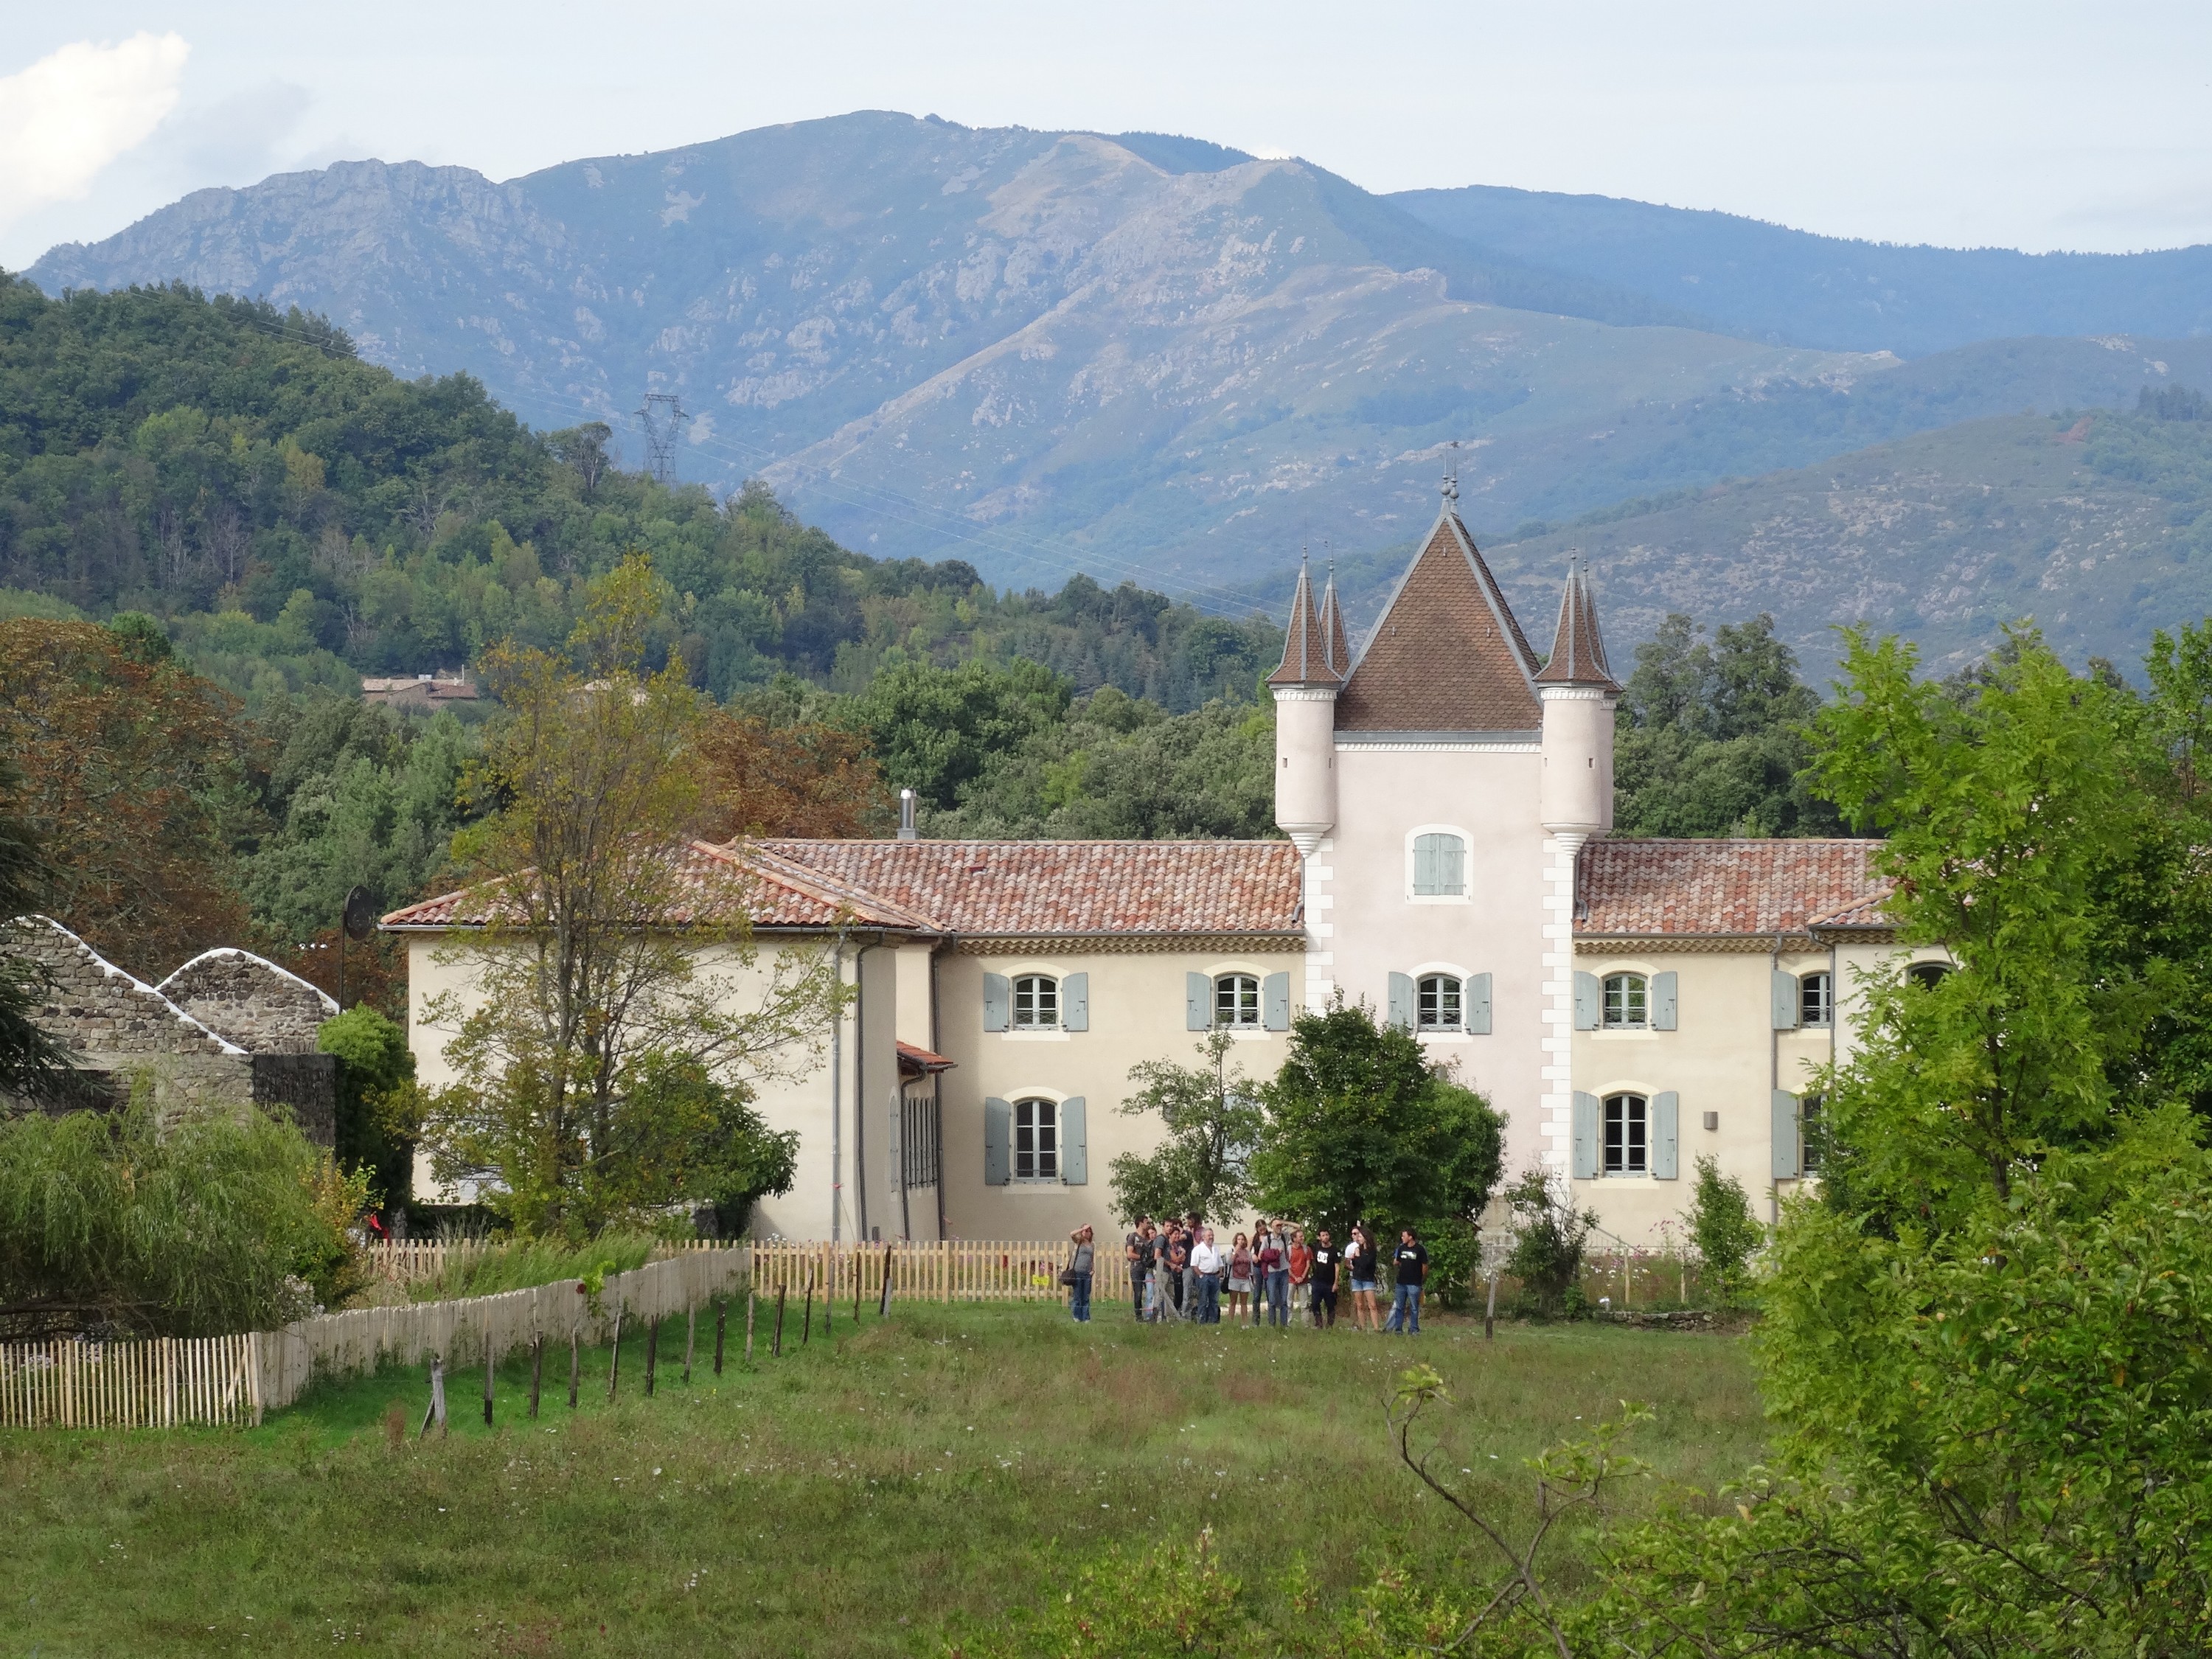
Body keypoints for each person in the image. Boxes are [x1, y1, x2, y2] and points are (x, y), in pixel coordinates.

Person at [1387, 1227, 1429, 1335]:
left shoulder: (1420, 1249)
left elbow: (1424, 1265)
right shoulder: (1401, 1248)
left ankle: (1414, 1329)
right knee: (1399, 1307)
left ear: (1410, 1237)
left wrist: (1421, 1278)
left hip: (1414, 1283)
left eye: (1404, 1236)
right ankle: (1398, 1329)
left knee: (1414, 1307)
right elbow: (1397, 1262)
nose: (1402, 1238)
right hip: (1401, 1282)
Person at [1347, 1225, 1381, 1332]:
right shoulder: (1358, 1249)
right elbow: (1355, 1264)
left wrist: (1357, 1256)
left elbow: (1365, 1264)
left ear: (1366, 1238)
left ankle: (1376, 1328)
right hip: (1357, 1278)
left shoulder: (1372, 1251)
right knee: (1360, 1305)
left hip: (1368, 1279)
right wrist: (1355, 1258)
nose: (1358, 1239)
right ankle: (1363, 1326)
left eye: (1360, 1237)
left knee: (1372, 1305)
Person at [1191, 1227, 1225, 1324]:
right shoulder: (1198, 1249)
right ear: (1203, 1237)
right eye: (1209, 1235)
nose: (1211, 1237)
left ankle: (1213, 1320)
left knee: (1214, 1300)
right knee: (1203, 1299)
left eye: (1212, 1235)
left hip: (1214, 1276)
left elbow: (1220, 1263)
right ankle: (1202, 1320)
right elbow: (1194, 1265)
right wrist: (1201, 1275)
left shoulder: (1215, 1249)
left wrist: (1220, 1273)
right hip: (1204, 1277)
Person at [1257, 1225, 1288, 1329]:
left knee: (1284, 1301)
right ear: (1272, 1227)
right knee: (1272, 1300)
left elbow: (1298, 1227)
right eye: (1277, 1225)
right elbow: (1260, 1255)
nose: (1279, 1227)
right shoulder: (1267, 1239)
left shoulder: (1285, 1237)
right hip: (1272, 1272)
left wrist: (1284, 1222)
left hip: (1284, 1271)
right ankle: (1272, 1325)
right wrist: (1275, 1253)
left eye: (1280, 1225)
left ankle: (1284, 1325)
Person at [1309, 1228, 1339, 1328]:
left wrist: (1336, 1283)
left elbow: (1337, 1267)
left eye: (1327, 1235)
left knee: (1330, 1304)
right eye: (1323, 1235)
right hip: (1317, 1281)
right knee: (1315, 1303)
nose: (1325, 1237)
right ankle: (1319, 1323)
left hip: (1329, 1282)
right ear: (1319, 1237)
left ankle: (1330, 1325)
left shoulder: (1334, 1250)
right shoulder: (1316, 1248)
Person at [1125, 1217, 1152, 1320]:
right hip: (1136, 1268)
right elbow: (1129, 1254)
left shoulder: (1148, 1238)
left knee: (1151, 1292)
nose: (1148, 1224)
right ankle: (1139, 1316)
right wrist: (1142, 1257)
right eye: (1146, 1222)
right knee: (1138, 1292)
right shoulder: (1133, 1237)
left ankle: (1150, 1314)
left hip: (1147, 1269)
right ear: (1140, 1223)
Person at [1067, 1225, 1095, 1323]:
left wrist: (1093, 1269)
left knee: (1086, 1296)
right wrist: (1082, 1229)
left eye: (1088, 1231)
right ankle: (1077, 1316)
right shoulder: (1078, 1242)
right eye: (1085, 1231)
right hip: (1078, 1272)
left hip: (1087, 1273)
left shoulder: (1092, 1245)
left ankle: (1086, 1317)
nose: (1087, 1233)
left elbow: (1091, 1258)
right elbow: (1072, 1234)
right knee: (1077, 1295)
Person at [1163, 1226, 1191, 1321]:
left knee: (1178, 1294)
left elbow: (1182, 1260)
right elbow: (1175, 1259)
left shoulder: (1177, 1246)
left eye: (1179, 1234)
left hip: (1178, 1270)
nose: (1177, 1236)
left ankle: (1174, 1314)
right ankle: (1167, 1315)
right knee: (1171, 1294)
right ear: (1170, 1235)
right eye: (1175, 1234)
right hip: (1171, 1271)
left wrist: (1181, 1256)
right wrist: (1182, 1253)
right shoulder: (1170, 1246)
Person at [1226, 1232, 1255, 1325]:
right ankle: (1230, 1322)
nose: (1241, 1241)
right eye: (1239, 1239)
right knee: (1233, 1302)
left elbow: (1250, 1265)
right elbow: (1229, 1262)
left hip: (1245, 1279)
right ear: (1236, 1240)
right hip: (1234, 1278)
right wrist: (1235, 1251)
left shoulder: (1247, 1252)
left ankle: (1244, 1323)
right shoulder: (1231, 1250)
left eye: (1242, 1239)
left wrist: (1253, 1277)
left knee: (1244, 1303)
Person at [1287, 1227, 1312, 1320]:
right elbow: (1287, 1265)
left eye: (1303, 1236)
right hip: (1290, 1280)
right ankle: (1288, 1322)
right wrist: (1294, 1277)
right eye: (1300, 1237)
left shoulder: (1307, 1249)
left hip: (1303, 1280)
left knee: (1304, 1303)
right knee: (1289, 1303)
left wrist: (1302, 1277)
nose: (1303, 1238)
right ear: (1294, 1239)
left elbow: (1308, 1264)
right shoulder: (1289, 1250)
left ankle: (1305, 1323)